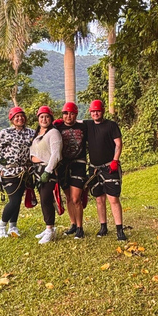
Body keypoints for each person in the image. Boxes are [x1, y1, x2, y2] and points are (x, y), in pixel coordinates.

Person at [0, 106, 35, 238]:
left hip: (23, 171)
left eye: (21, 116)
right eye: (16, 117)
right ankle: (1, 225)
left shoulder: (31, 133)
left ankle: (13, 226)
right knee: (13, 200)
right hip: (8, 171)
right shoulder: (5, 133)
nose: (20, 118)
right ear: (12, 119)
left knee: (18, 200)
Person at [85, 99, 126, 241]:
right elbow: (73, 123)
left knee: (113, 198)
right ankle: (103, 226)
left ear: (102, 111)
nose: (95, 113)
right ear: (90, 112)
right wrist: (59, 123)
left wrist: (115, 160)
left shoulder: (111, 125)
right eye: (93, 111)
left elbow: (118, 144)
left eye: (98, 111)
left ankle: (119, 229)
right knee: (99, 198)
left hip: (109, 166)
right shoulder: (88, 125)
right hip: (94, 168)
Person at [54, 102, 89, 239]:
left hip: (78, 164)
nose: (69, 116)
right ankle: (73, 224)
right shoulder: (57, 127)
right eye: (66, 113)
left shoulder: (83, 126)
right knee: (68, 197)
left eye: (72, 113)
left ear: (76, 114)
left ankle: (80, 227)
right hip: (63, 165)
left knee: (76, 198)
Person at [30, 105, 63, 244]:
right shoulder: (37, 133)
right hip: (37, 171)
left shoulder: (53, 133)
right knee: (44, 200)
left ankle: (50, 229)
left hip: (47, 171)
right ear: (38, 119)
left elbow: (56, 154)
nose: (44, 119)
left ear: (51, 119)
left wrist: (48, 172)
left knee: (46, 199)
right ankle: (48, 227)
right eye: (42, 117)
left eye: (47, 117)